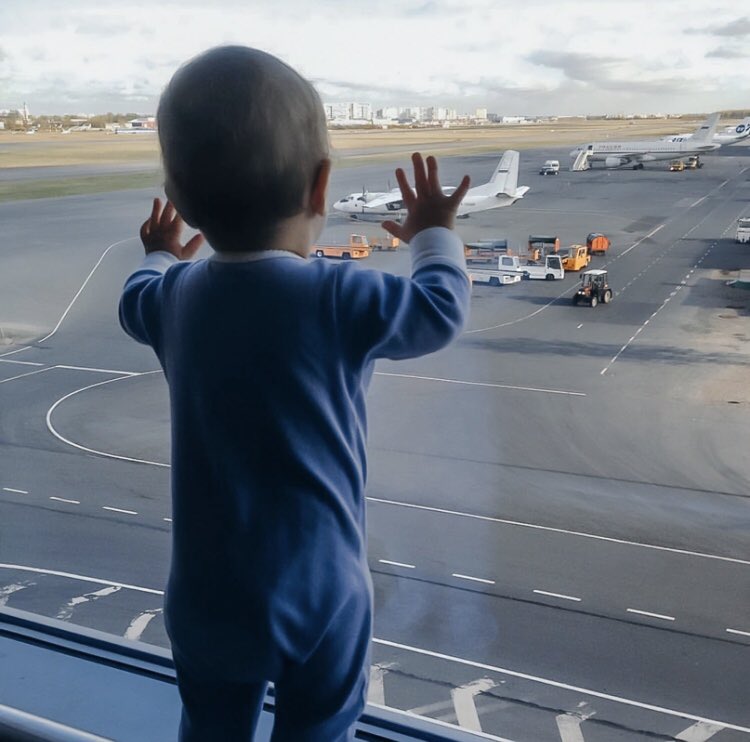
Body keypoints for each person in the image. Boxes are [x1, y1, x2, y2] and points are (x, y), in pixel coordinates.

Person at [118, 45, 471, 742]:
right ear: (320, 189)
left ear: (182, 201)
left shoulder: (172, 298)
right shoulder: (336, 295)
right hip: (320, 594)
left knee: (210, 729)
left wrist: (159, 251)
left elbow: (135, 298)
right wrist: (434, 235)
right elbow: (439, 310)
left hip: (205, 597)